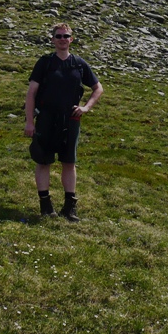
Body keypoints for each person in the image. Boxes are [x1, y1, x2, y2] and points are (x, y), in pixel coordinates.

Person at [24, 23, 103, 221]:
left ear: (71, 39)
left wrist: (85, 108)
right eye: (58, 36)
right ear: (52, 40)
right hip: (46, 119)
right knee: (44, 161)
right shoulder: (45, 63)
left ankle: (69, 208)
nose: (62, 39)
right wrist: (29, 122)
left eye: (65, 36)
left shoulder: (78, 63)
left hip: (71, 119)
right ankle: (45, 205)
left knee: (69, 162)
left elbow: (98, 88)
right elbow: (31, 93)